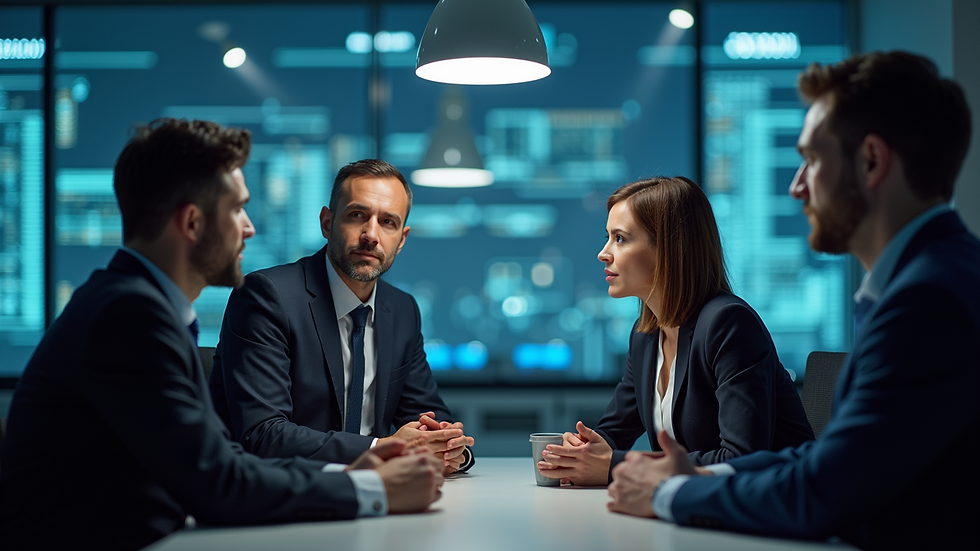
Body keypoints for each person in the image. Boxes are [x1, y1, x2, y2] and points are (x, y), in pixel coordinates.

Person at [0, 119, 444, 551]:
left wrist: (365, 469)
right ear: (193, 223)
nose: (249, 227)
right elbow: (218, 483)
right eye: (236, 208)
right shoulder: (128, 317)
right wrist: (369, 488)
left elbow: (222, 466)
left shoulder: (136, 306)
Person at [606, 51, 979, 550]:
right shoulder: (926, 280)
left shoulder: (928, 302)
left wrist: (671, 492)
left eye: (811, 159)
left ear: (870, 161)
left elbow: (824, 493)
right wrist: (695, 479)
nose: (796, 186)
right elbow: (821, 462)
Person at [537, 177, 814, 486]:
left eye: (620, 238)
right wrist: (584, 451)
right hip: (694, 510)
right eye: (608, 237)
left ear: (668, 248)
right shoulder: (645, 336)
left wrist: (614, 466)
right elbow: (612, 435)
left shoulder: (729, 324)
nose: (604, 253)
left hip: (773, 512)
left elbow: (741, 458)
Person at [210, 159, 475, 473]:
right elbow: (262, 435)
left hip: (372, 497)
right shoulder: (267, 296)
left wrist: (452, 450)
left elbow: (428, 419)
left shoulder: (401, 309)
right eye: (357, 215)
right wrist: (383, 448)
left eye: (387, 222)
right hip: (277, 497)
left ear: (401, 240)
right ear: (326, 222)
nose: (371, 235)